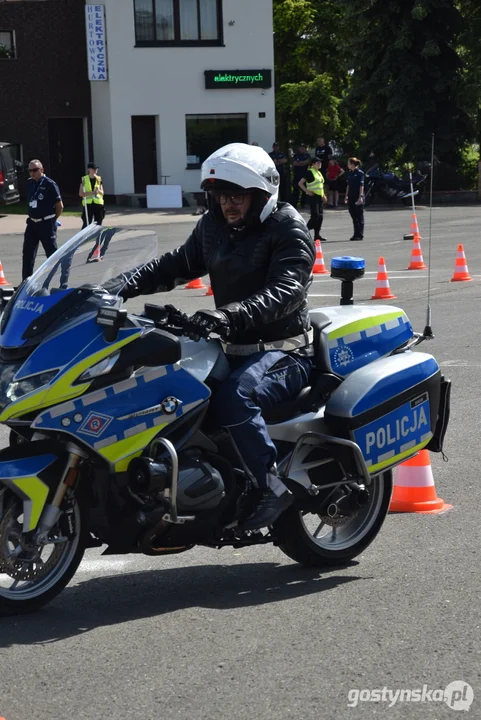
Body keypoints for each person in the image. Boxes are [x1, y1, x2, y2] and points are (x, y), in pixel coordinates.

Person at [107, 143, 315, 531]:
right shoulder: (214, 226)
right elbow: (176, 264)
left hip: (283, 351)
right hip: (230, 344)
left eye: (237, 195)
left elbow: (286, 292)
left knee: (235, 397)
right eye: (221, 196)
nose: (228, 204)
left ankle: (271, 485)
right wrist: (119, 286)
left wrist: (227, 315)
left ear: (263, 195)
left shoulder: (288, 228)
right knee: (164, 387)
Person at [22, 159, 63, 281]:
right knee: (28, 254)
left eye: (35, 170)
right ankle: (26, 281)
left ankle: (57, 280)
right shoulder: (29, 183)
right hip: (32, 222)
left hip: (46, 223)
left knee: (51, 254)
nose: (32, 173)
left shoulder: (50, 184)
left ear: (42, 170)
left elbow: (59, 206)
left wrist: (53, 219)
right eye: (30, 171)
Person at [298, 157, 328, 242]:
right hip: (313, 196)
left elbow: (320, 186)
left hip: (319, 197)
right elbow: (300, 183)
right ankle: (305, 231)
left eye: (320, 163)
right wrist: (307, 191)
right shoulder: (309, 172)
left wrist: (323, 195)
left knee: (320, 217)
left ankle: (317, 235)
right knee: (315, 215)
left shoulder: (318, 172)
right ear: (313, 164)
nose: (320, 164)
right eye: (318, 163)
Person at [345, 157, 365, 241]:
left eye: (349, 163)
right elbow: (348, 186)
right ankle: (355, 233)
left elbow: (361, 185)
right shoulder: (350, 173)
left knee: (359, 216)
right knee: (353, 216)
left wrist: (360, 197)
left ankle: (359, 234)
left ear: (353, 164)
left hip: (357, 196)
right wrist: (346, 196)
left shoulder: (360, 173)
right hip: (351, 196)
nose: (348, 165)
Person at [80, 161, 105, 229]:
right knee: (87, 222)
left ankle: (97, 235)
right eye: (93, 168)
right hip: (88, 204)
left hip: (98, 203)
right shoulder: (84, 179)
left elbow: (102, 192)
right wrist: (92, 193)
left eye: (96, 169)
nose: (95, 170)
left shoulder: (99, 179)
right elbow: (81, 193)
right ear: (89, 169)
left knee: (99, 221)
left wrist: (98, 191)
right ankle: (83, 237)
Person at [290, 143, 310, 209]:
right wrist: (302, 163)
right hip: (296, 174)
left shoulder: (307, 155)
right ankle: (294, 204)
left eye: (303, 147)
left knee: (304, 190)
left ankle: (303, 204)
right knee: (295, 190)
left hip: (304, 175)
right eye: (301, 147)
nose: (302, 149)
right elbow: (294, 163)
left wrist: (299, 162)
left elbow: (306, 162)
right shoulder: (296, 155)